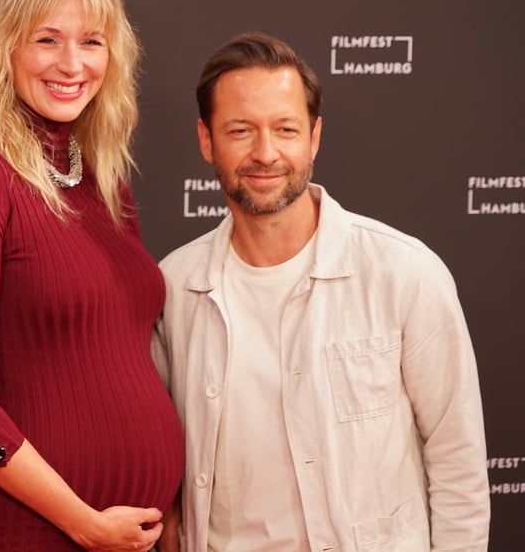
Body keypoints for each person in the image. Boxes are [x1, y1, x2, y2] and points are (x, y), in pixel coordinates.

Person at [152, 32, 490, 552]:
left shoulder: (404, 273)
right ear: (206, 140)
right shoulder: (174, 286)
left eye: (285, 129)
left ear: (313, 138)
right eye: (240, 130)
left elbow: (458, 464)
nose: (265, 153)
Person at [0, 0, 183, 551]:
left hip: (128, 538)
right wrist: (82, 521)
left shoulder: (105, 178)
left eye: (91, 42)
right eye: (47, 40)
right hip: (25, 534)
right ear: (5, 49)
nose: (71, 63)